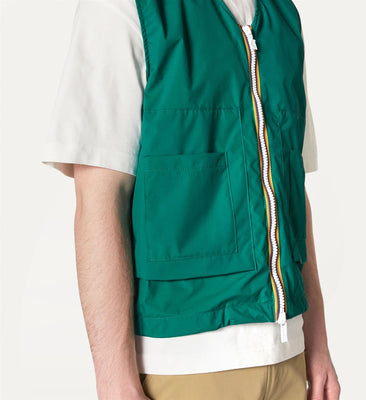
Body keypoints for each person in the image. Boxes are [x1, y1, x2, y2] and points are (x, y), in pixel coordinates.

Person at [41, 0, 340, 399]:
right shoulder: (122, 7)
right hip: (183, 364)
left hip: (289, 358)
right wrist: (114, 380)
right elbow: (99, 198)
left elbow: (290, 195)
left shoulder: (283, 15)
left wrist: (317, 343)